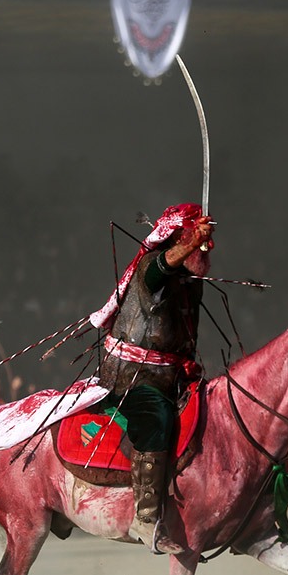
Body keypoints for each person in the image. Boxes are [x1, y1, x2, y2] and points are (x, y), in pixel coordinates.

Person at [90, 203, 215, 555]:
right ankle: (145, 518)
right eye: (197, 238)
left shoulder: (191, 282)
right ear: (176, 237)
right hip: (132, 378)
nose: (206, 247)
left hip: (172, 376)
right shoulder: (150, 266)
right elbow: (163, 267)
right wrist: (191, 244)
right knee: (156, 416)